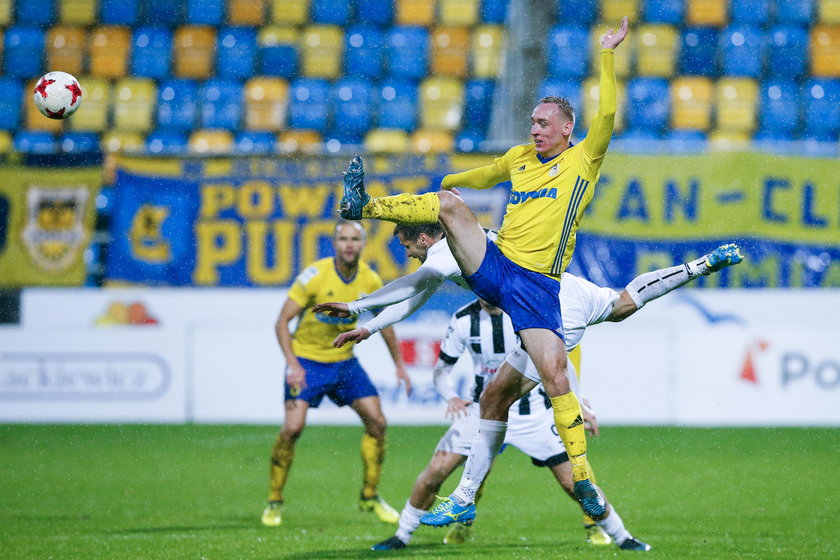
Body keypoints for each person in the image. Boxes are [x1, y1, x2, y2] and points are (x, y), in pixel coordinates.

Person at [338, 17, 631, 521]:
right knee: (449, 204)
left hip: (538, 286)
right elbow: (477, 175)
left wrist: (606, 54)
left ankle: (584, 482)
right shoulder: (520, 157)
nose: (534, 129)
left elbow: (607, 112)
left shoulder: (585, 159)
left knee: (557, 379)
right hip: (499, 265)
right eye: (533, 122)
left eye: (543, 123)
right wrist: (448, 180)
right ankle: (364, 206)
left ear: (567, 130)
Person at [314, 225, 742, 548]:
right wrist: (369, 327)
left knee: (493, 399)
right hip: (565, 291)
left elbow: (411, 288)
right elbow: (416, 297)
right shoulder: (474, 233)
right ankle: (699, 265)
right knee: (623, 303)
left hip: (537, 313)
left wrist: (356, 306)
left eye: (408, 247)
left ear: (425, 238)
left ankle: (466, 496)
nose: (408, 255)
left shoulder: (444, 253)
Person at [370, 297, 651, 552]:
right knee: (436, 471)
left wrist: (578, 403)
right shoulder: (463, 319)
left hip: (533, 415)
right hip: (483, 413)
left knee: (574, 483)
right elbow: (442, 370)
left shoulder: (525, 312)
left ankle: (623, 537)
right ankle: (402, 536)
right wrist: (451, 397)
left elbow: (559, 361)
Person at [260, 220, 412, 528]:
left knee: (378, 423)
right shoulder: (314, 276)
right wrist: (292, 364)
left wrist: (398, 364)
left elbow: (385, 322)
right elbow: (281, 322)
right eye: (343, 238)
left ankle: (369, 496)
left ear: (363, 243)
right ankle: (274, 500)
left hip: (344, 363)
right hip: (307, 363)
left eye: (354, 239)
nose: (348, 244)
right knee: (292, 429)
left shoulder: (369, 279)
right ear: (334, 243)